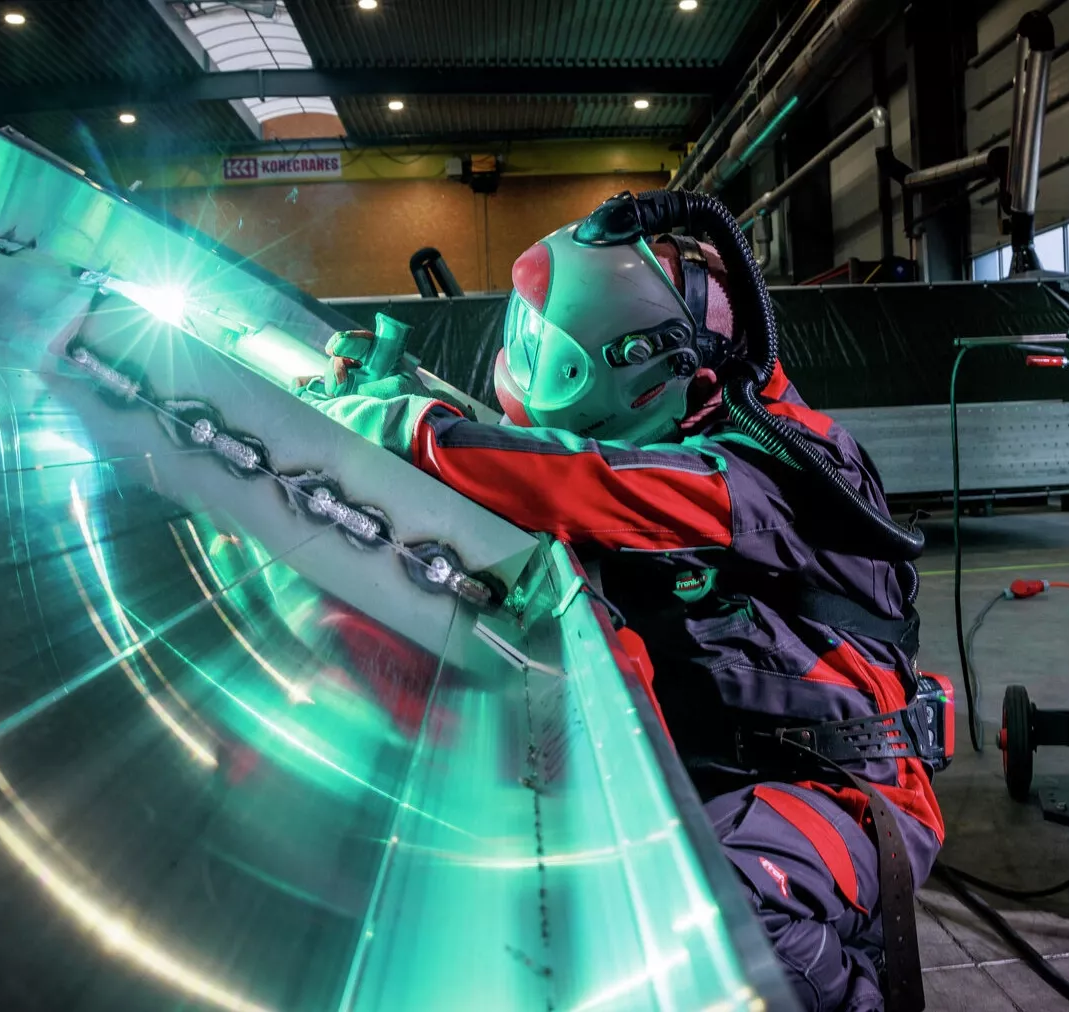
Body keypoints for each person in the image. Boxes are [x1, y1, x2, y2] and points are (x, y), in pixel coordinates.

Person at [297, 194, 948, 1012]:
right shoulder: (694, 424)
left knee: (717, 918)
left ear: (634, 367)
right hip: (743, 770)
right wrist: (408, 406)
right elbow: (551, 462)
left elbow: (582, 480)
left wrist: (412, 430)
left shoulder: (768, 473)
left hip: (845, 795)